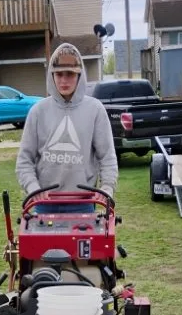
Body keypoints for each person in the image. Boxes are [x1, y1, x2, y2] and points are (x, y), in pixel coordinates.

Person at [15, 43, 117, 208]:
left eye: (70, 74)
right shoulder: (38, 112)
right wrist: (33, 189)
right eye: (59, 74)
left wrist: (107, 188)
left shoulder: (95, 110)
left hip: (84, 202)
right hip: (45, 203)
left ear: (79, 75)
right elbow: (24, 160)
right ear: (51, 75)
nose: (63, 80)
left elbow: (107, 157)